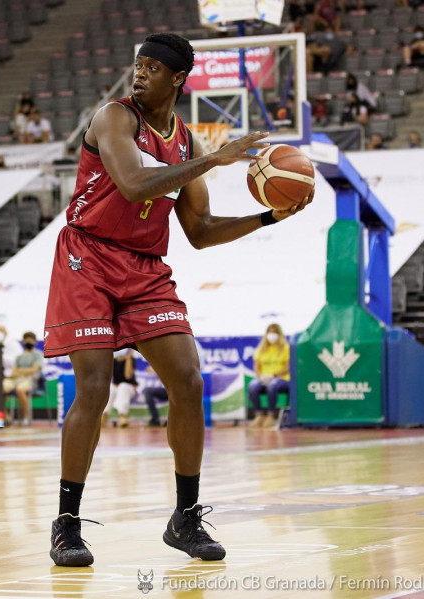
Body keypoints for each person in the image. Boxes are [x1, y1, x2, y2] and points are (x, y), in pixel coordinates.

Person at [42, 32, 312, 567]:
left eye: (151, 68)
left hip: (144, 268)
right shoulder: (113, 118)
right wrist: (215, 161)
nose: (139, 74)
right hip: (87, 257)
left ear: (177, 79)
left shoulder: (185, 142)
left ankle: (184, 518)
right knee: (93, 387)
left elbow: (202, 230)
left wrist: (267, 216)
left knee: (188, 380)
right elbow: (136, 184)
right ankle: (66, 524)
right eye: (136, 65)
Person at [248, 324, 290, 429]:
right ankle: (259, 415)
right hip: (264, 378)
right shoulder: (261, 349)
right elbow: (256, 366)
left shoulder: (285, 348)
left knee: (272, 385)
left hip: (281, 378)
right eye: (270, 332)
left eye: (275, 332)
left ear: (279, 334)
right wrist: (261, 376)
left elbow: (287, 367)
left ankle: (271, 415)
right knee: (253, 385)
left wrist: (274, 375)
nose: (272, 335)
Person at [2, 332, 43, 427]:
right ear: (23, 341)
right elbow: (13, 371)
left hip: (29, 380)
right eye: (26, 339)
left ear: (35, 342)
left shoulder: (38, 354)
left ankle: (25, 417)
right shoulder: (19, 356)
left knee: (20, 390)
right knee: (1, 387)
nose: (28, 341)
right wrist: (24, 371)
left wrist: (20, 371)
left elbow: (34, 370)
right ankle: (6, 416)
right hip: (15, 378)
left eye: (31, 340)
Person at [102, 349, 139, 428]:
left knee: (123, 387)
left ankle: (123, 415)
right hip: (116, 387)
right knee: (111, 388)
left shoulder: (131, 360)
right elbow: (109, 377)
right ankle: (104, 414)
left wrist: (128, 359)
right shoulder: (113, 361)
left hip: (129, 387)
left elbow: (128, 376)